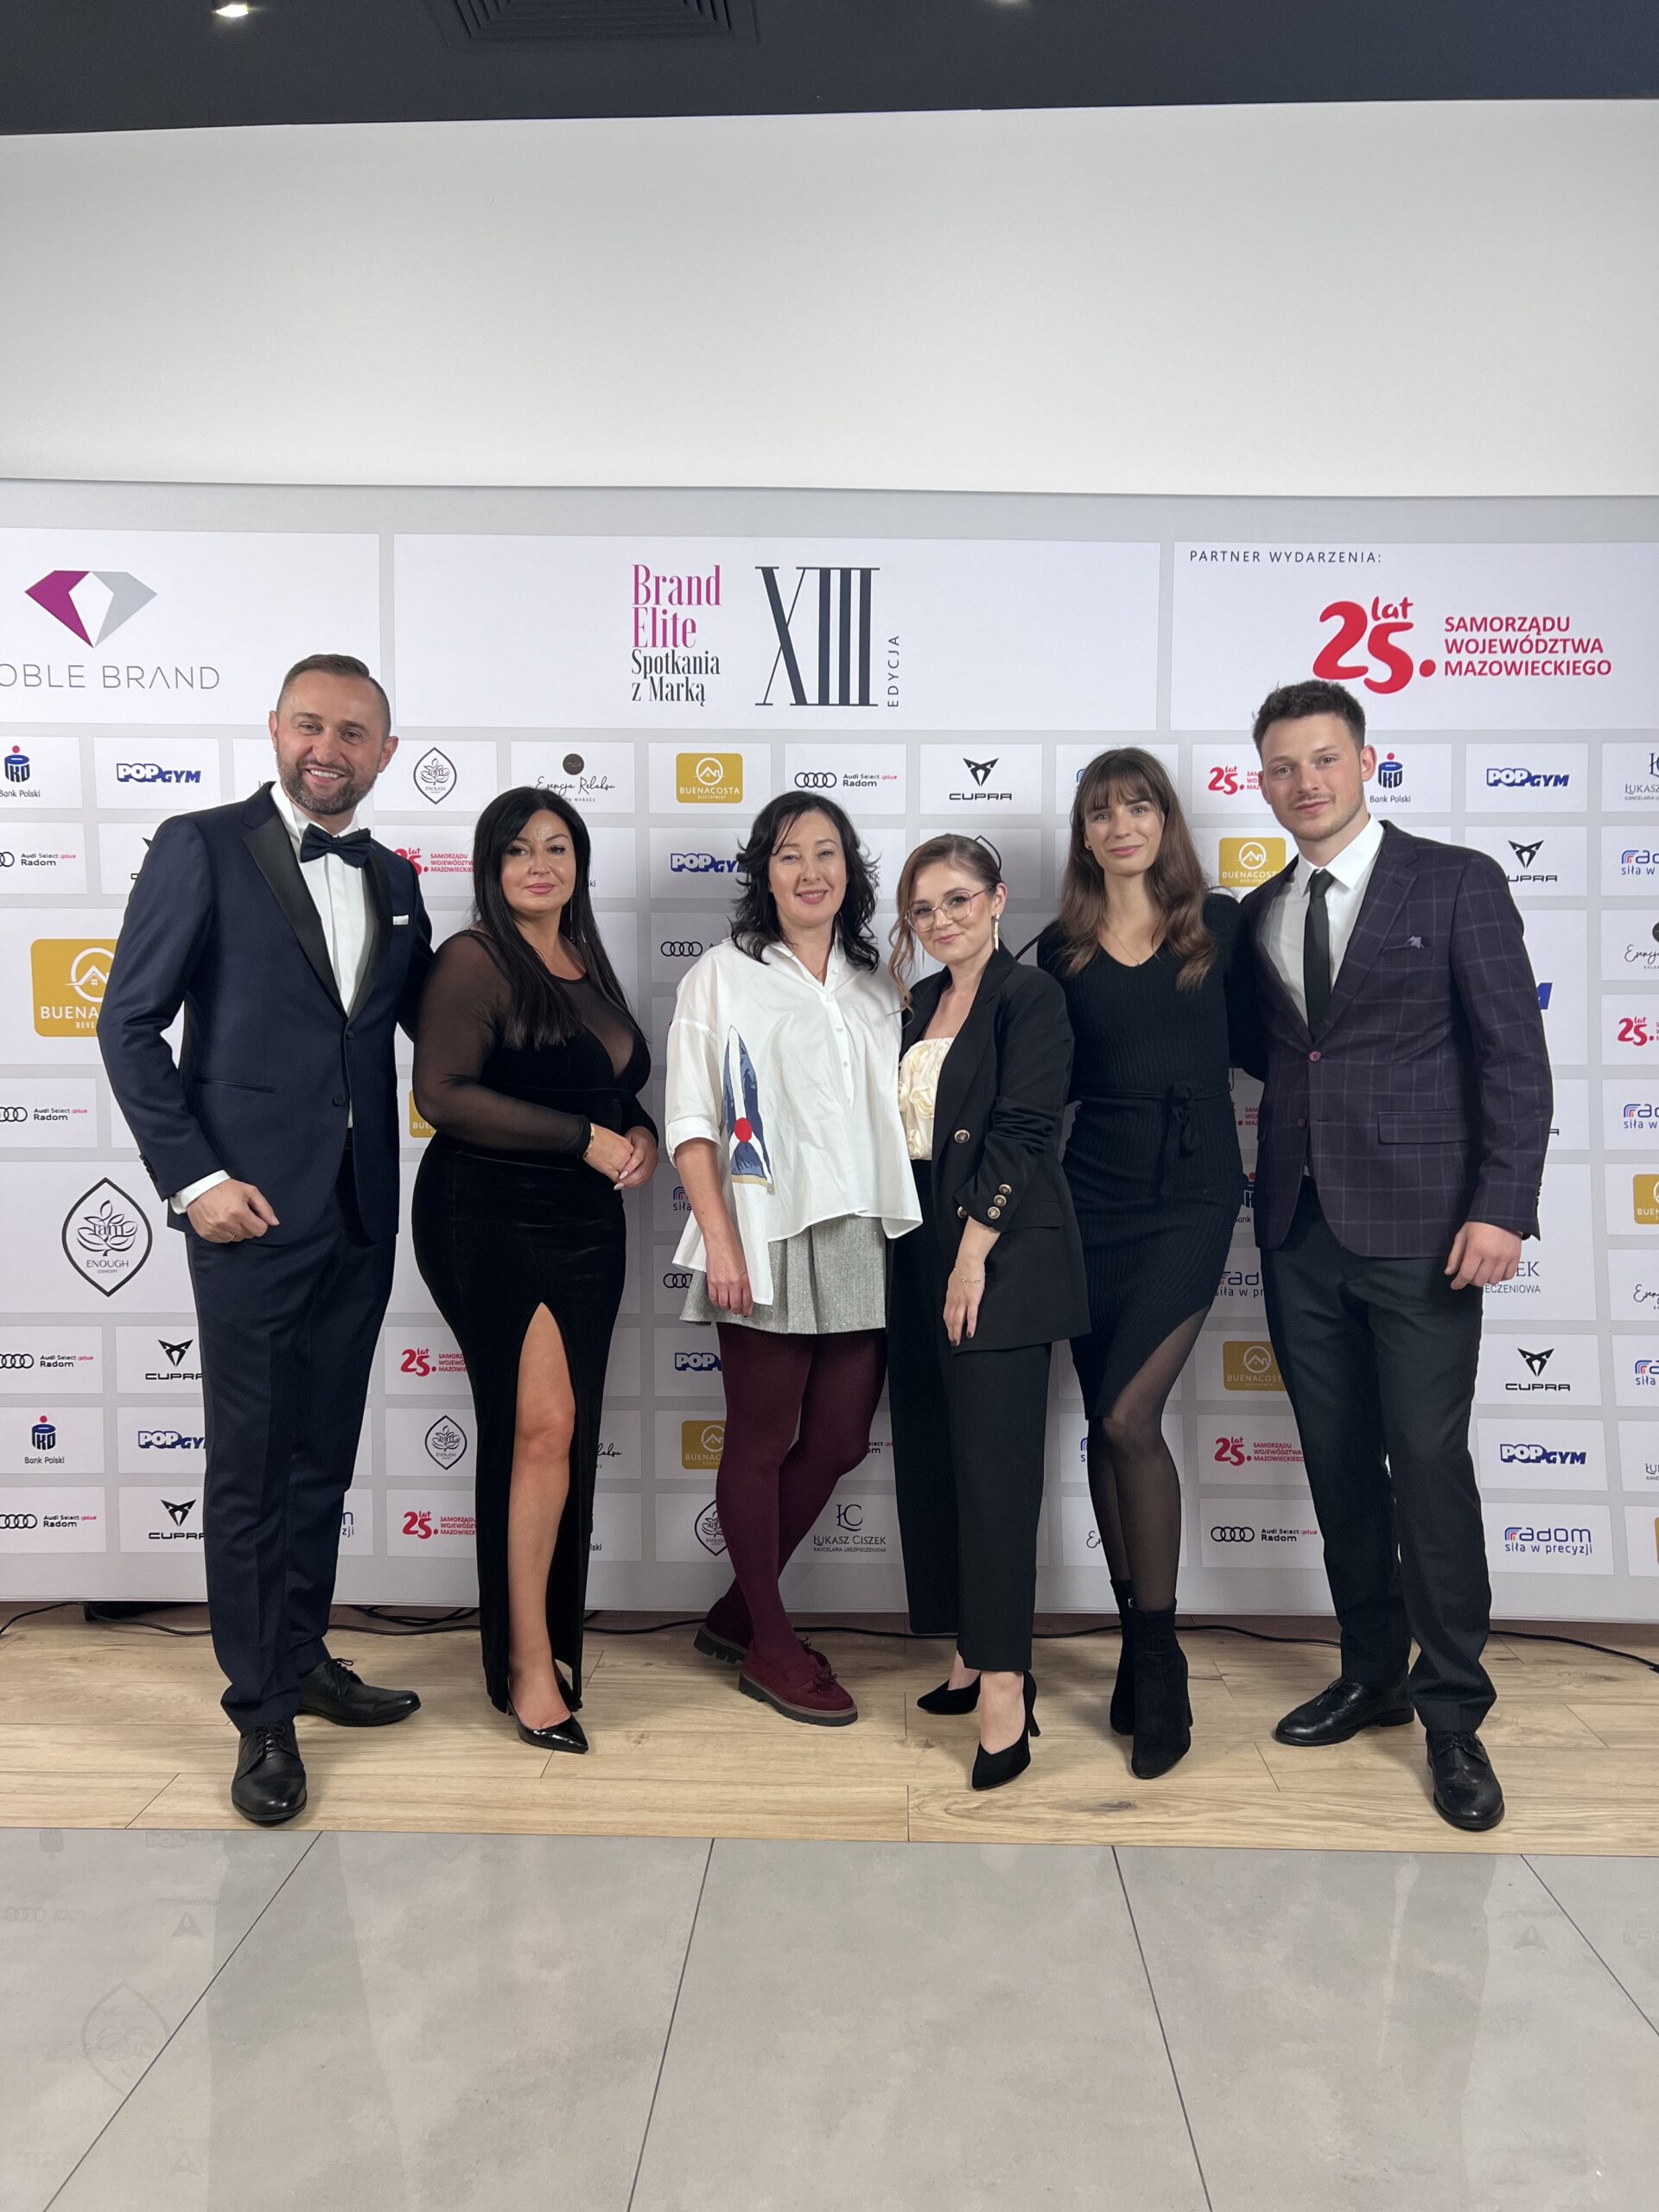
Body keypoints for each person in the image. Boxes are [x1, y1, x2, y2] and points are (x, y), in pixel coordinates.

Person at [99, 653, 434, 1826]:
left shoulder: (396, 877)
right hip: (244, 1214)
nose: (327, 747)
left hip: (358, 1210)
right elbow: (127, 1025)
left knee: (320, 1459)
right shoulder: (200, 845)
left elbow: (439, 1026)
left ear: (385, 753)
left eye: (353, 731)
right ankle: (261, 1714)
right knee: (248, 1468)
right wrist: (195, 1181)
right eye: (309, 724)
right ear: (276, 729)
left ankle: (301, 1657)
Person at [1242, 677, 1551, 1832]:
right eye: (1283, 766)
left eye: (1324, 759)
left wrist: (1502, 1207)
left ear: (1367, 762)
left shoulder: (1456, 881)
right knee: (1337, 1467)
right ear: (1261, 782)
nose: (1305, 782)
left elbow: (1513, 1057)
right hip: (1298, 1231)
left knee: (1425, 1464)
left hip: (1428, 1233)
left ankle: (1454, 1714)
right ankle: (1370, 1670)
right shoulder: (1262, 909)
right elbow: (1288, 1054)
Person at [665, 794, 920, 1726]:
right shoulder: (721, 975)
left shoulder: (879, 982)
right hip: (762, 1230)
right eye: (788, 854)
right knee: (761, 1441)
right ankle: (771, 1647)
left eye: (826, 852)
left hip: (862, 1230)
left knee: (842, 1439)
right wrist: (721, 1239)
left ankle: (738, 1611)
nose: (810, 870)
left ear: (850, 869)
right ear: (762, 874)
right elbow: (691, 1120)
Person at [411, 789, 656, 1752]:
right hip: (489, 1213)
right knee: (542, 1429)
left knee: (560, 1434)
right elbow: (442, 1093)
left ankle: (542, 1643)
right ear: (491, 866)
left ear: (579, 862)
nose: (540, 864)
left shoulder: (585, 961)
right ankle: (525, 1662)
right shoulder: (475, 958)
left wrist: (634, 1132)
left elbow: (608, 1087)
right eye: (518, 850)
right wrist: (583, 1139)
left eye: (557, 846)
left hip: (588, 1222)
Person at [1036, 749, 1259, 1777]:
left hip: (1194, 1193)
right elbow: (1036, 1085)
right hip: (1091, 1196)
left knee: (1131, 1418)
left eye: (1139, 805)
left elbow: (1279, 1047)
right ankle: (1135, 1639)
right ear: (1084, 835)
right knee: (1103, 1422)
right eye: (1101, 811)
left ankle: (1161, 1658)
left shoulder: (1223, 926)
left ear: (1165, 819)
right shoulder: (1059, 949)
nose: (1121, 824)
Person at [887, 836, 1089, 1790]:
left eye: (958, 900)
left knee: (996, 1474)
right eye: (923, 909)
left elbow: (1024, 1131)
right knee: (937, 1455)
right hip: (914, 1242)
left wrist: (972, 1255)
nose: (942, 921)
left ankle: (1007, 1687)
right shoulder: (918, 1003)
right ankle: (969, 1650)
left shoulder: (1030, 995)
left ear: (999, 899)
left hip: (997, 1252)